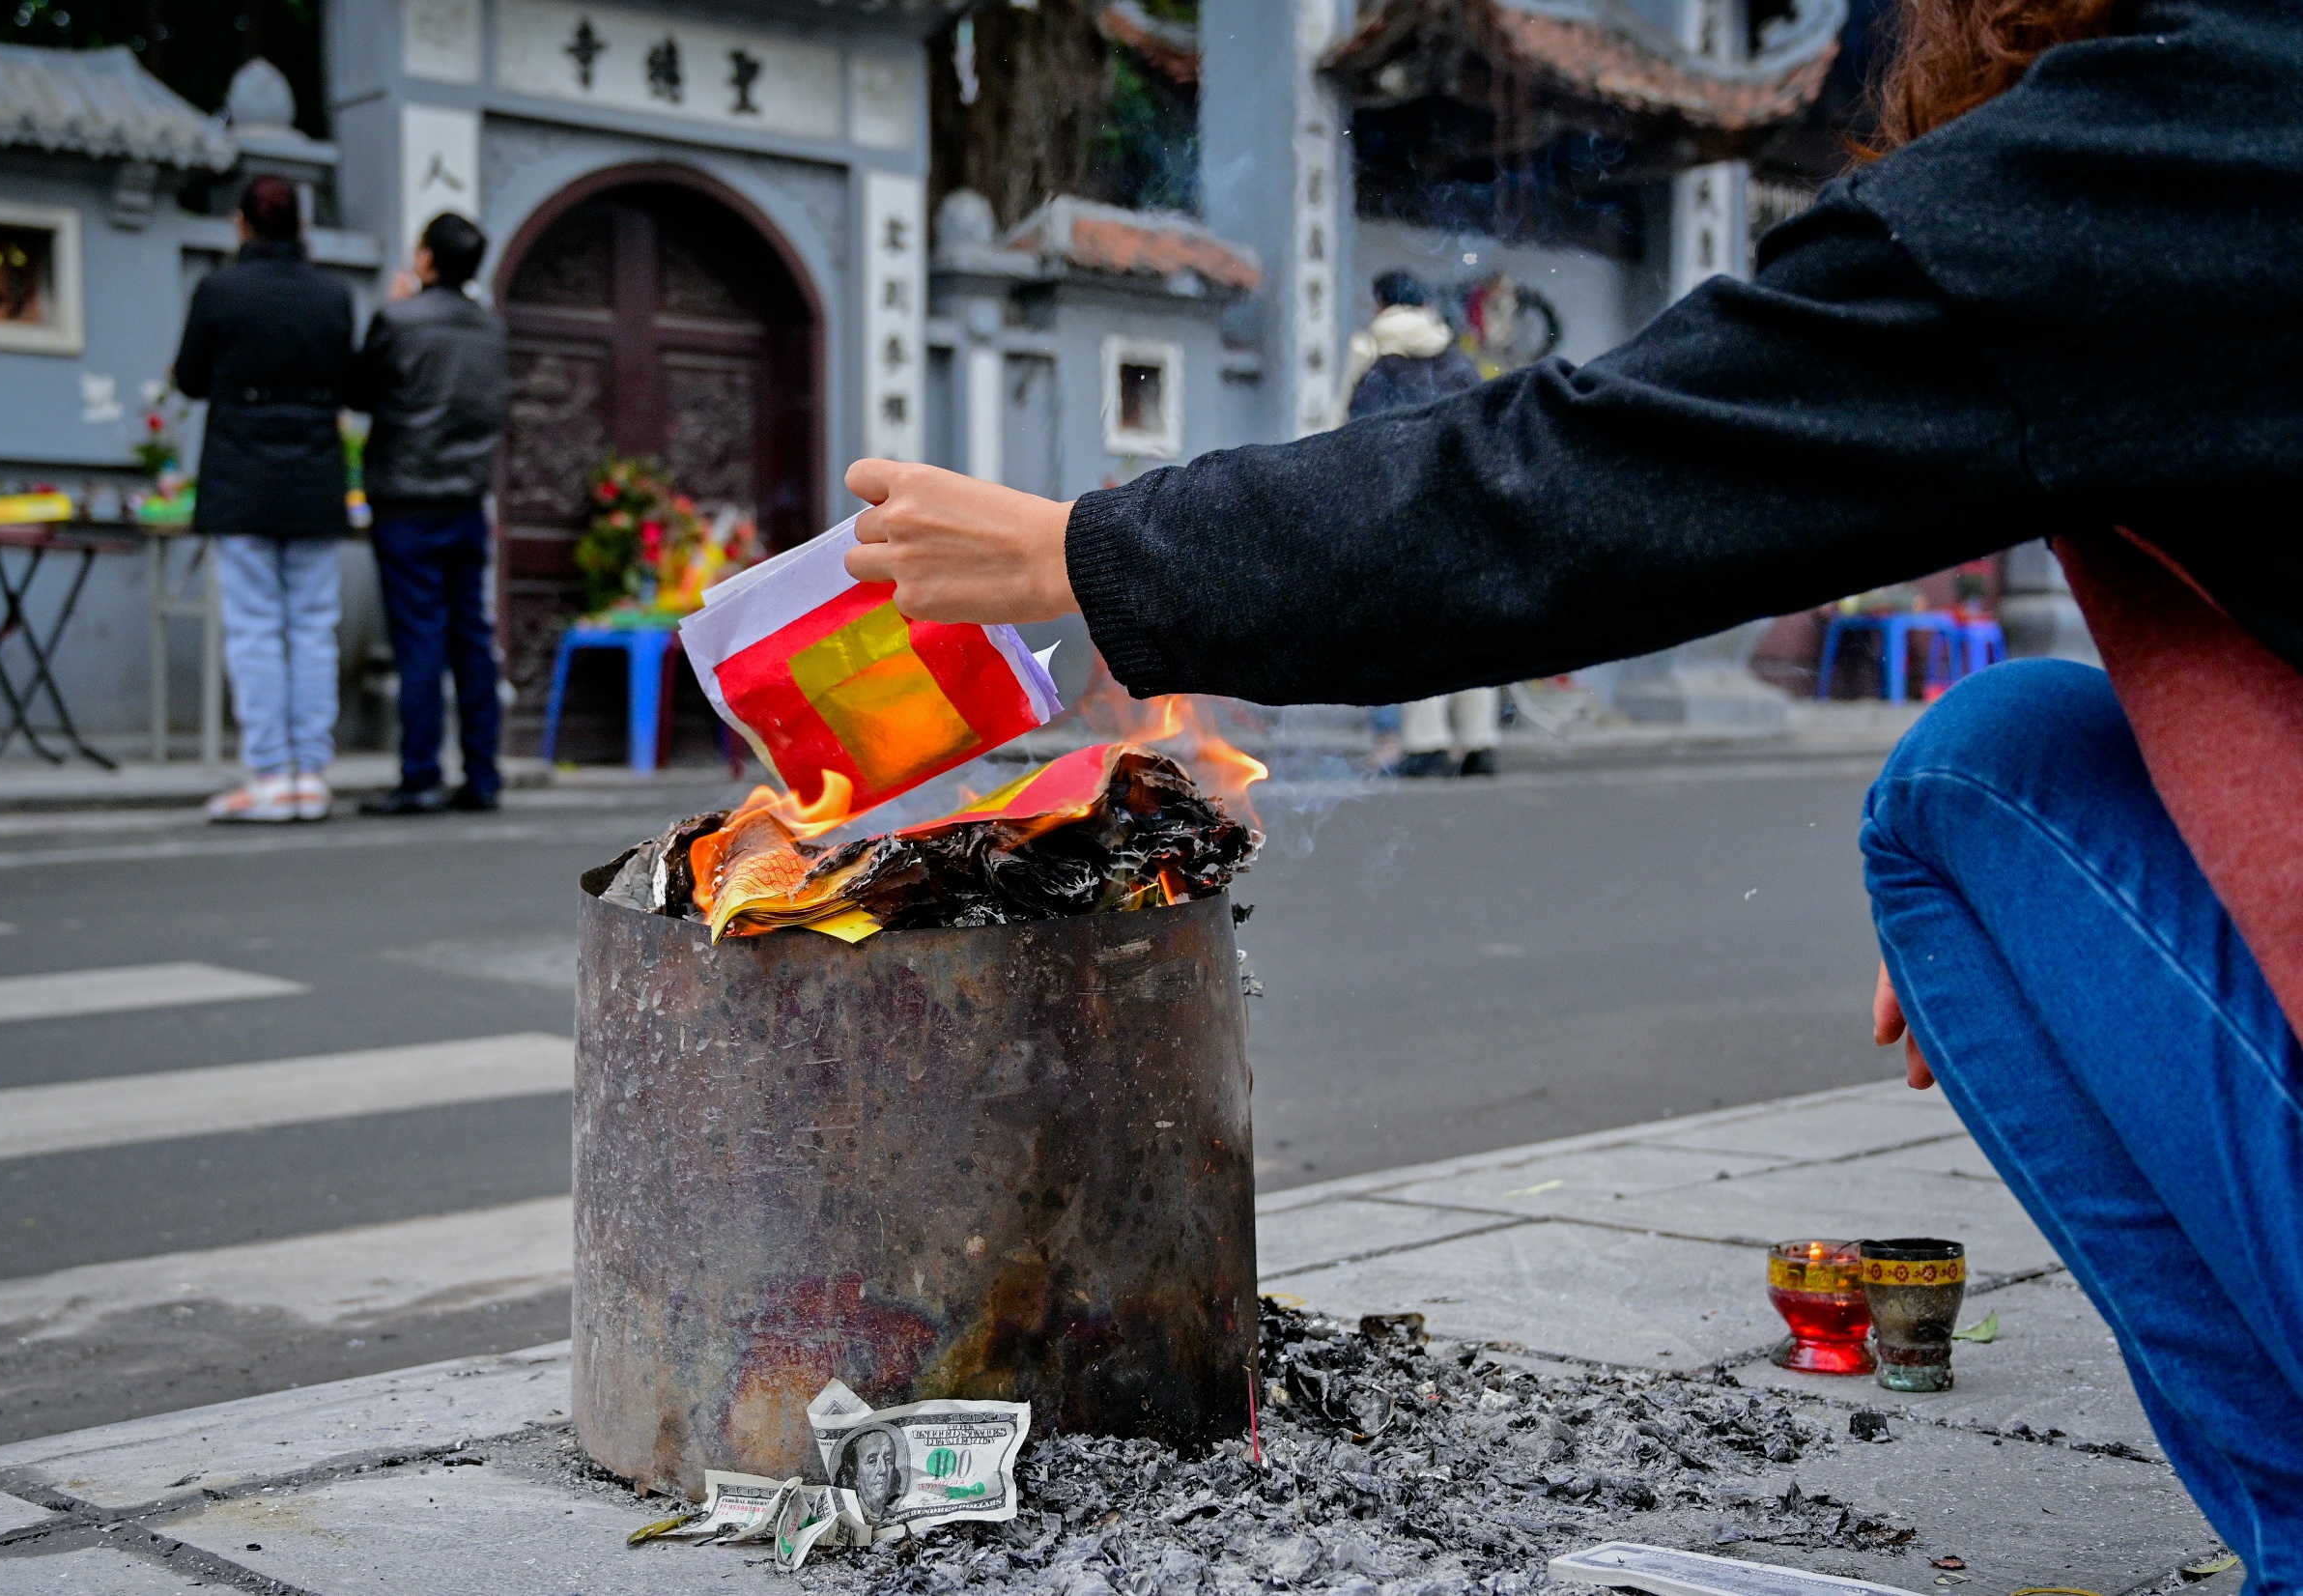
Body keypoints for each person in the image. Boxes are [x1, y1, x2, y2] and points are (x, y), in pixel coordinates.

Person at [839, 0, 2303, 1574]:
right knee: (1995, 762)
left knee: (1961, 779)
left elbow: (1574, 485)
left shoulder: (2148, 138)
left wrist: (1086, 553)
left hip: (1409, 572)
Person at [176, 175, 355, 822]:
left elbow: (192, 378)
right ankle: (311, 775)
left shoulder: (219, 290)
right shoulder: (333, 295)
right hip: (313, 477)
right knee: (312, 628)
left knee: (254, 628)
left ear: (241, 224)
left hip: (241, 476)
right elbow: (348, 381)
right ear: (301, 226)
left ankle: (270, 775)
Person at [347, 213, 510, 815]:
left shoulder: (398, 319)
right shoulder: (491, 329)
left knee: (419, 638)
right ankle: (482, 775)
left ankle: (419, 774)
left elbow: (361, 391)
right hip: (466, 500)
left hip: (405, 500)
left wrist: (396, 306)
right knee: (471, 638)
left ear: (426, 261)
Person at [1342, 271, 1500, 777]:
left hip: (1406, 513)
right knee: (1472, 631)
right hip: (1468, 509)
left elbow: (1356, 444)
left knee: (1415, 628)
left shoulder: (1377, 363)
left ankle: (1427, 742)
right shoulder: (1457, 362)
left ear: (1382, 305)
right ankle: (1479, 744)